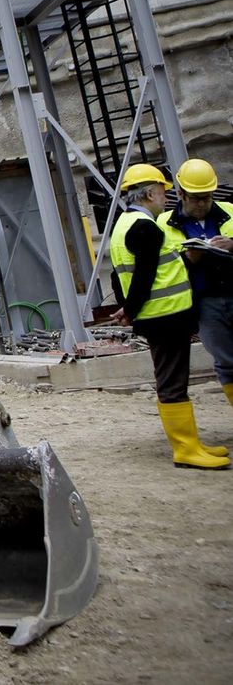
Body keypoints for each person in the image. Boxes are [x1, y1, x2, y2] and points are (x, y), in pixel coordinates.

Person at [110, 163, 227, 469]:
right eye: (162, 191)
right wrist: (132, 310)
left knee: (172, 380)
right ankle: (186, 449)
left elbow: (118, 275)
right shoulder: (146, 227)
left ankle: (190, 444)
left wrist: (128, 308)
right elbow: (146, 275)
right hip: (165, 317)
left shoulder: (125, 224)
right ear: (149, 193)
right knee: (173, 382)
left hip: (158, 316)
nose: (166, 197)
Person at [157, 157, 233, 420]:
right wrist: (188, 261)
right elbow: (162, 267)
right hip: (204, 302)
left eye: (206, 197)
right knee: (226, 362)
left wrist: (232, 245)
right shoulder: (164, 224)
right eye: (195, 198)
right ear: (180, 193)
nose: (201, 203)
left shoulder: (230, 211)